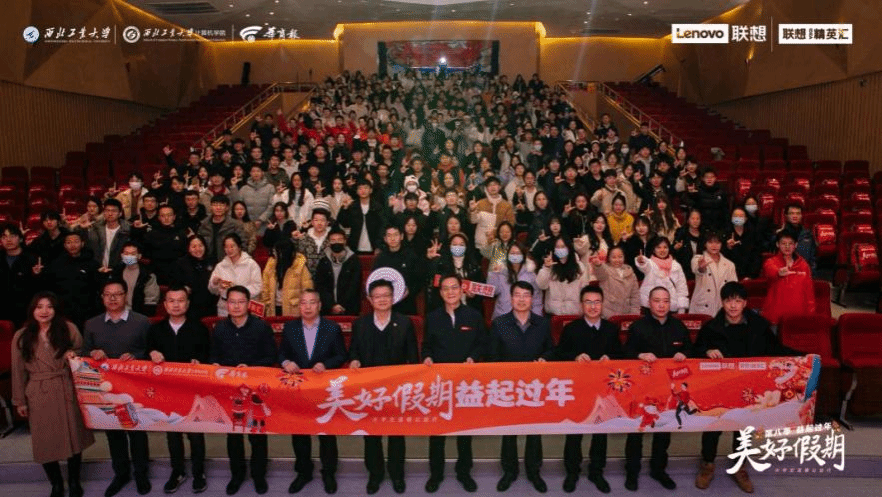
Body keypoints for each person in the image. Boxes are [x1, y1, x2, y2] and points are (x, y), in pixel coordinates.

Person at [693, 282, 803, 493]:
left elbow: (776, 350)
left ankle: (740, 466)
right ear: (722, 302)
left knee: (744, 428)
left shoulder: (759, 326)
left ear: (745, 303)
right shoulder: (710, 327)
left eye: (738, 301)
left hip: (749, 388)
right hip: (719, 388)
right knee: (712, 428)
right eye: (728, 301)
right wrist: (706, 351)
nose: (733, 305)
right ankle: (707, 464)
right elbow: (695, 350)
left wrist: (803, 357)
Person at [12, 292, 94, 497]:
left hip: (66, 387)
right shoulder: (21, 335)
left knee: (74, 438)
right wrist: (20, 401)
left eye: (49, 307)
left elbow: (82, 353)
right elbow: (18, 370)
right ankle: (56, 484)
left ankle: (74, 481)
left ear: (56, 310)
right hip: (39, 390)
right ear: (32, 310)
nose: (44, 311)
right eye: (39, 307)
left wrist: (73, 355)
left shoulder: (69, 328)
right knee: (45, 441)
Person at [548, 285, 623, 493]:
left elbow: (621, 354)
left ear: (602, 304)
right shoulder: (571, 329)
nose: (593, 306)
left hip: (603, 391)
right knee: (574, 432)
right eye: (588, 302)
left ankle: (596, 471)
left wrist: (611, 358)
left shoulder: (611, 329)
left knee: (601, 433)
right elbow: (559, 355)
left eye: (597, 302)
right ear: (581, 305)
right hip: (578, 390)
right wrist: (575, 357)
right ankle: (572, 472)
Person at [81, 279, 152, 497]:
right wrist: (92, 354)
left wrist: (136, 356)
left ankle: (141, 474)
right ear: (102, 297)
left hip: (135, 388)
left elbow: (151, 352)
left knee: (137, 432)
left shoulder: (142, 322)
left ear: (125, 295)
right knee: (114, 433)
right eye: (107, 294)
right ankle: (120, 474)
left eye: (117, 294)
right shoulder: (91, 324)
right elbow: (84, 355)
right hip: (106, 390)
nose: (112, 298)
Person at [348, 279, 419, 495]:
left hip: (396, 390)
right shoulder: (360, 324)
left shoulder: (404, 323)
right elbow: (354, 352)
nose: (382, 300)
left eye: (386, 295)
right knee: (371, 434)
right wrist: (354, 361)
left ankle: (397, 474)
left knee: (396, 433)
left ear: (393, 298)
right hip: (369, 390)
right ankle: (375, 474)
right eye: (377, 296)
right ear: (370, 300)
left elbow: (412, 357)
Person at [421, 274, 487, 493]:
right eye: (446, 289)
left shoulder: (474, 316)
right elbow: (426, 345)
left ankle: (464, 472)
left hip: (465, 383)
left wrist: (473, 357)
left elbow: (482, 343)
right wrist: (427, 357)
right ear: (440, 293)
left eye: (454, 288)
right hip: (439, 383)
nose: (450, 292)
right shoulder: (432, 317)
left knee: (464, 431)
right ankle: (436, 473)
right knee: (437, 431)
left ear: (461, 290)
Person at [209, 286, 278, 495]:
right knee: (233, 436)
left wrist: (250, 368)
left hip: (255, 390)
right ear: (226, 304)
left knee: (257, 436)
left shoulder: (261, 327)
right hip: (229, 391)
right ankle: (237, 475)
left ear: (249, 304)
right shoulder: (219, 329)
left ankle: (259, 475)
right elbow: (213, 356)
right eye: (232, 302)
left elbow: (271, 357)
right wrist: (215, 365)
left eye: (241, 302)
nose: (236, 306)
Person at [279, 290, 348, 494]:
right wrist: (286, 362)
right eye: (303, 303)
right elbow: (281, 353)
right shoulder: (290, 328)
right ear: (299, 306)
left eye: (312, 302)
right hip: (298, 389)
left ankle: (329, 472)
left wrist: (326, 364)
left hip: (323, 388)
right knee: (299, 433)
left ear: (319, 305)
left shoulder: (332, 328)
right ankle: (303, 472)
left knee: (326, 433)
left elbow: (341, 355)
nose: (307, 307)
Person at [624, 286, 691, 492]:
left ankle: (658, 469)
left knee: (664, 430)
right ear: (649, 303)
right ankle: (632, 471)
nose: (661, 305)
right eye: (657, 301)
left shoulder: (679, 327)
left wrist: (684, 354)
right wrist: (640, 356)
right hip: (642, 388)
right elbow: (625, 352)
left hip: (668, 389)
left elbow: (691, 349)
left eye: (665, 301)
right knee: (637, 430)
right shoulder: (637, 327)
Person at [489, 281, 554, 493]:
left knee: (534, 430)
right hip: (508, 387)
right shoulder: (500, 323)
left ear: (532, 299)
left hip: (535, 387)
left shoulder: (542, 324)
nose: (522, 299)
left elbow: (551, 350)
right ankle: (509, 471)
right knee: (509, 430)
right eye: (517, 295)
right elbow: (492, 356)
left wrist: (545, 359)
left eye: (526, 295)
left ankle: (534, 471)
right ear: (511, 298)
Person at [146, 286, 211, 494]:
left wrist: (199, 362)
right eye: (171, 301)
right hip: (167, 391)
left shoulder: (199, 328)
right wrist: (152, 353)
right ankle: (178, 471)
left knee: (196, 433)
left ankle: (199, 472)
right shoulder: (155, 329)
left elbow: (208, 355)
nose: (176, 305)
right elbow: (146, 354)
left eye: (180, 300)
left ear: (187, 303)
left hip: (193, 389)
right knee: (173, 434)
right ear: (164, 304)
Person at [761, 230, 815, 327]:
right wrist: (778, 273)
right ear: (777, 244)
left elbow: (809, 291)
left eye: (790, 243)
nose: (787, 246)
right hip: (775, 316)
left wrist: (810, 313)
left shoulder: (803, 265)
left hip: (798, 315)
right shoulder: (770, 262)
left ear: (796, 245)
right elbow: (770, 271)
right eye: (783, 243)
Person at [372, 224, 422, 316]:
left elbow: (419, 279)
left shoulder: (411, 256)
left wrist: (409, 290)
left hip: (406, 302)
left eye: (395, 235)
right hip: (385, 303)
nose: (392, 238)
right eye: (389, 236)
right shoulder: (380, 258)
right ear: (385, 239)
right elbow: (374, 279)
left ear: (401, 236)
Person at [208, 234, 262, 317]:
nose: (229, 250)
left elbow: (257, 287)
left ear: (239, 247)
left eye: (232, 246)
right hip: (225, 308)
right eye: (226, 247)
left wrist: (238, 291)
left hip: (245, 307)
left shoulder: (251, 264)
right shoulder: (220, 266)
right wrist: (215, 283)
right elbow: (212, 290)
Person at [536, 235, 591, 315]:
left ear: (569, 248)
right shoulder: (550, 266)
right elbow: (541, 285)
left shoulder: (580, 267)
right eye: (557, 247)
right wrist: (546, 268)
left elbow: (585, 289)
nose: (560, 249)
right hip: (553, 312)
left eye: (563, 247)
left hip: (574, 313)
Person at [487, 242, 543, 318]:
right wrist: (494, 274)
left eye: (518, 253)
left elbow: (537, 298)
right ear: (507, 255)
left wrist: (537, 317)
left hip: (524, 316)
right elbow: (493, 291)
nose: (515, 256)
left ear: (523, 256)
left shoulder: (530, 274)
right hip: (503, 314)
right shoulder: (501, 271)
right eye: (512, 253)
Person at [314, 228, 362, 315]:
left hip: (349, 308)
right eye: (333, 240)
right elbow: (320, 286)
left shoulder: (354, 260)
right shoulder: (323, 261)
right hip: (327, 309)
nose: (336, 242)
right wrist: (332, 305)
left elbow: (355, 285)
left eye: (339, 240)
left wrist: (341, 305)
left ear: (345, 241)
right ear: (328, 243)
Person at [259, 239, 313, 317]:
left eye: (276, 251)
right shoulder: (271, 265)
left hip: (294, 310)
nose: (274, 253)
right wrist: (267, 303)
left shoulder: (300, 267)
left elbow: (307, 290)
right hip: (273, 308)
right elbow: (265, 288)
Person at [688, 232, 738, 316]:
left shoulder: (729, 264)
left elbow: (733, 287)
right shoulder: (698, 259)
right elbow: (698, 270)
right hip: (703, 305)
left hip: (722, 305)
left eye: (717, 243)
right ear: (705, 244)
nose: (714, 246)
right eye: (710, 242)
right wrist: (701, 268)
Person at [636, 237, 690, 314]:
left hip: (670, 306)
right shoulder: (650, 263)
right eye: (659, 247)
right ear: (654, 249)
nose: (662, 250)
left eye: (665, 247)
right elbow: (644, 266)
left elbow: (681, 287)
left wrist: (682, 307)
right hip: (650, 306)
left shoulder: (676, 266)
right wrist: (641, 261)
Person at [0, 223, 39, 326]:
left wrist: (36, 275)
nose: (8, 240)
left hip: (25, 312)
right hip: (2, 311)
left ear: (21, 239)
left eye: (12, 236)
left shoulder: (32, 259)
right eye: (4, 237)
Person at [171, 235, 217, 320]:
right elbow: (175, 285)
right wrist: (183, 289)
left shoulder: (212, 261)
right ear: (188, 248)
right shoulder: (181, 263)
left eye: (200, 246)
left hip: (210, 304)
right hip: (190, 305)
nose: (198, 249)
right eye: (194, 246)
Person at [140, 204, 188, 285]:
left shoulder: (181, 233)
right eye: (163, 216)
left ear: (174, 217)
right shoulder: (151, 235)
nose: (166, 218)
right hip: (156, 275)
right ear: (158, 217)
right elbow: (146, 256)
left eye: (169, 215)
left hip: (177, 275)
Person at [590, 246, 641, 318]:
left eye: (620, 257)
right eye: (614, 257)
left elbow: (635, 296)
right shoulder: (605, 270)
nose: (617, 260)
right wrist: (598, 265)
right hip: (607, 314)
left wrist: (634, 314)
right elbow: (600, 272)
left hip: (626, 313)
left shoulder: (631, 273)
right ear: (609, 258)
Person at [112, 241, 160, 316]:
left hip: (138, 314)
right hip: (117, 312)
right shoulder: (116, 273)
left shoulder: (147, 275)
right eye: (126, 253)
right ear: (122, 255)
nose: (129, 256)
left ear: (139, 256)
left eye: (133, 254)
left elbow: (151, 300)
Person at [337, 179, 385, 254]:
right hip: (355, 247)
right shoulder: (352, 206)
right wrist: (345, 208)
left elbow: (382, 226)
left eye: (365, 188)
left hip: (374, 247)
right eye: (360, 188)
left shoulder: (377, 207)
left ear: (371, 190)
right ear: (357, 191)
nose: (363, 190)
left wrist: (379, 246)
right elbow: (344, 224)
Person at [469, 176, 514, 251]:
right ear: (486, 188)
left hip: (499, 242)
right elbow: (473, 221)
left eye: (495, 184)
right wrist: (473, 210)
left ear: (499, 187)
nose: (493, 187)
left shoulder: (506, 205)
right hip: (481, 242)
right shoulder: (480, 203)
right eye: (490, 185)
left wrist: (495, 232)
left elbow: (511, 223)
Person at [197, 195, 246, 264]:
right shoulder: (204, 224)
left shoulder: (235, 225)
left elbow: (243, 245)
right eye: (215, 205)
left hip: (228, 262)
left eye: (221, 205)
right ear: (210, 207)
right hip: (206, 263)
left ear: (227, 207)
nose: (218, 208)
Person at [84, 198, 130, 269]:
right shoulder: (95, 229)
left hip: (119, 270)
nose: (110, 214)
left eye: (114, 211)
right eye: (107, 210)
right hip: (98, 269)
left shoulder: (126, 231)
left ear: (120, 213)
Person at [779, 203, 817, 275]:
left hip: (804, 272)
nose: (795, 216)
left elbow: (813, 257)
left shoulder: (808, 234)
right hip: (785, 272)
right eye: (792, 213)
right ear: (786, 216)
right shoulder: (780, 234)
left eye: (798, 213)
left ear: (801, 216)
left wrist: (811, 272)